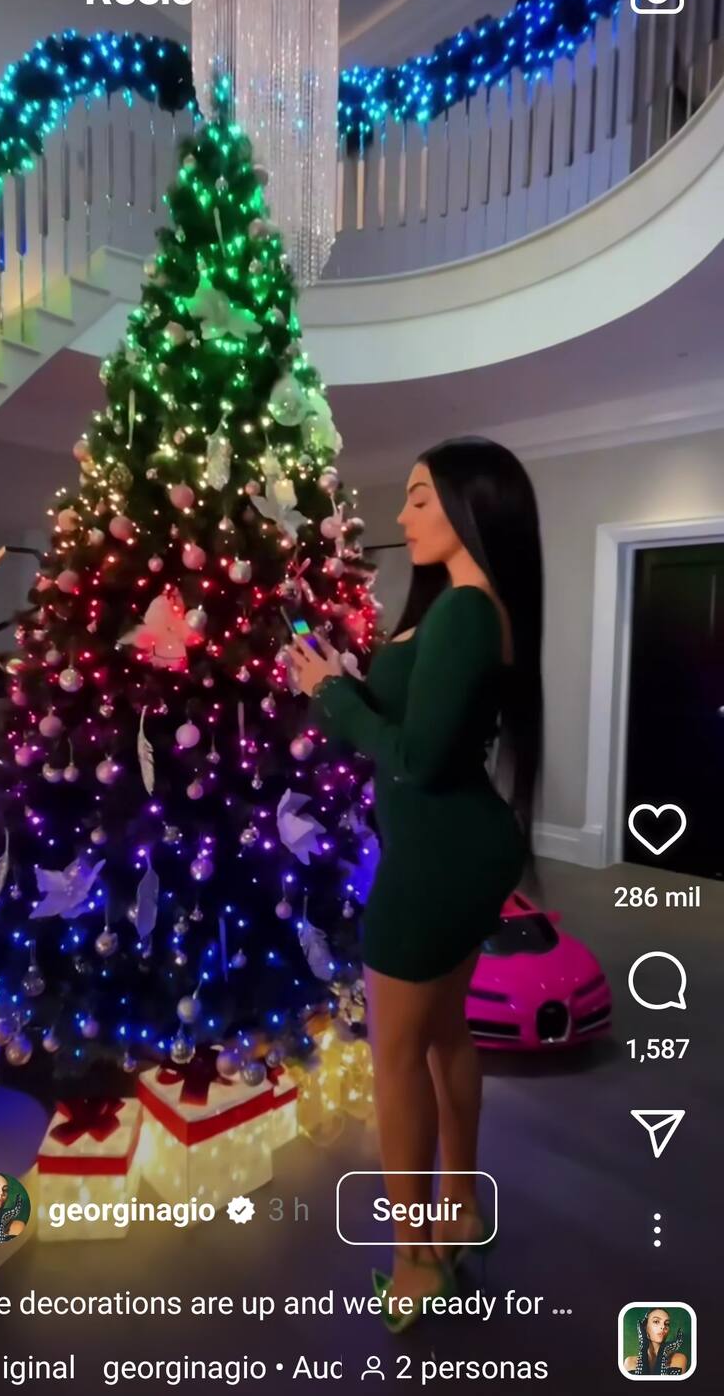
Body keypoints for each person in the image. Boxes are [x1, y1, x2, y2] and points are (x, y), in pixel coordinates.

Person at [290, 437, 543, 1332]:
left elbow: (418, 760)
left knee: (396, 1057)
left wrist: (333, 696)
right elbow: (420, 728)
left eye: (420, 498)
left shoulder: (468, 609)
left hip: (438, 857)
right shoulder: (460, 607)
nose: (401, 516)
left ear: (474, 507)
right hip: (461, 850)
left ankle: (414, 1261)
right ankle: (458, 1212)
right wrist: (345, 685)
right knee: (442, 1036)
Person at [624, 1309, 688, 1376]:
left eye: (667, 1324)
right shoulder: (629, 1362)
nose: (663, 1327)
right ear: (645, 1327)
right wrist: (643, 1350)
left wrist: (663, 1350)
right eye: (656, 1321)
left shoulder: (679, 1359)